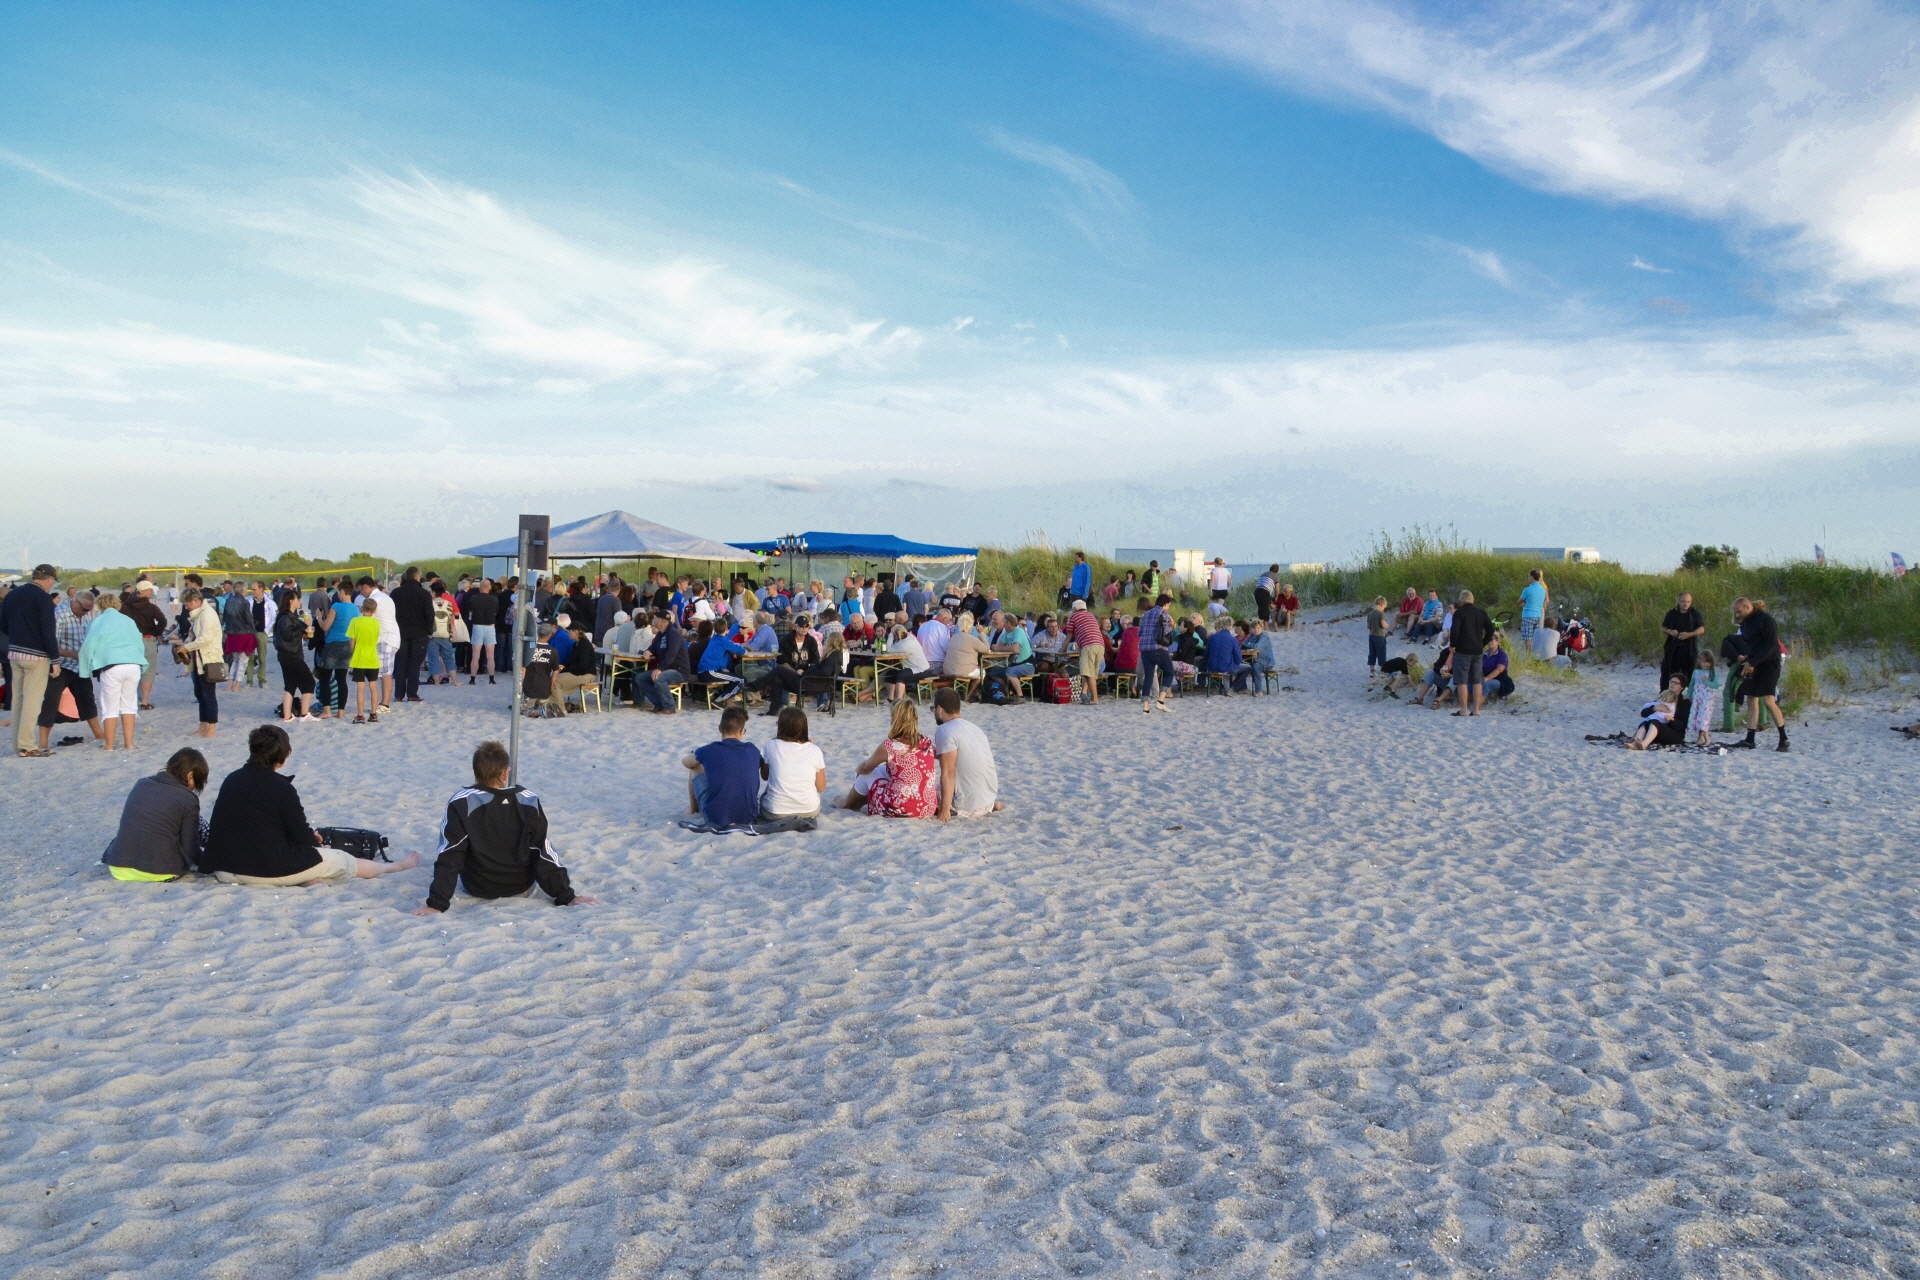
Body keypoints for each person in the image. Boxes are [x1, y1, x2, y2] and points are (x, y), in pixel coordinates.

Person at [198, 724, 420, 886]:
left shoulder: (232, 779)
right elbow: (300, 834)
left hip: (225, 867)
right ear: (282, 758)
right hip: (262, 868)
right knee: (340, 860)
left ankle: (308, 880)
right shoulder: (281, 788)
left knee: (306, 860)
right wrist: (314, 841)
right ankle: (393, 867)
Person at [414, 740, 593, 914]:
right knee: (540, 845)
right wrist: (566, 895)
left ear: (476, 772)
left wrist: (437, 903)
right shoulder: (529, 800)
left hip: (478, 887)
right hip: (521, 886)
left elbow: (451, 854)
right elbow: (542, 852)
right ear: (504, 774)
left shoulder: (461, 802)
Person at [101, 747, 209, 881]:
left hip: (118, 868)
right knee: (199, 825)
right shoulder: (187, 798)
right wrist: (207, 865)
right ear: (190, 776)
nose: (194, 788)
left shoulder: (141, 784)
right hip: (158, 872)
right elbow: (190, 847)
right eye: (197, 783)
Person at [843, 699, 938, 817]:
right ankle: (861, 799)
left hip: (899, 809)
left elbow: (866, 767)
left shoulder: (889, 746)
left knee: (866, 773)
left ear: (895, 720)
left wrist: (858, 771)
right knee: (885, 769)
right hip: (927, 807)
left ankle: (847, 804)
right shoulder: (926, 742)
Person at [78, 593, 147, 750]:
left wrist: (84, 671)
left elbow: (87, 647)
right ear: (117, 605)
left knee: (110, 707)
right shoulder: (128, 621)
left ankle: (109, 745)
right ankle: (129, 743)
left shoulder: (98, 622)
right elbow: (139, 643)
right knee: (129, 705)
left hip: (112, 666)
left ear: (100, 606)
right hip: (133, 664)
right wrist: (143, 665)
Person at [682, 705, 763, 828]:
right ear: (741, 731)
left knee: (695, 769)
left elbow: (686, 763)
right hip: (749, 817)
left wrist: (697, 755)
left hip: (716, 819)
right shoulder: (753, 750)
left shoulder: (709, 749)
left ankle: (693, 810)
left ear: (719, 729)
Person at [932, 687, 1002, 819]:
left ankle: (951, 809)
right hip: (987, 799)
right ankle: (992, 806)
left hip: (966, 805)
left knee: (923, 791)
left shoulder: (944, 730)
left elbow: (948, 772)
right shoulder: (974, 728)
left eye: (933, 709)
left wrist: (945, 810)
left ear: (940, 709)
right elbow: (963, 756)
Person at [1731, 597, 1787, 751]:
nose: (1737, 614)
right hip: (1754, 663)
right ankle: (1750, 739)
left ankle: (1783, 738)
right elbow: (1748, 645)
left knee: (1769, 701)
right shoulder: (1744, 623)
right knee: (1751, 699)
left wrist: (1753, 662)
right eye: (1735, 612)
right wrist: (1747, 661)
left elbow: (1770, 646)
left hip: (1770, 663)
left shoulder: (1766, 620)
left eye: (1739, 611)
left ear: (1747, 607)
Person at [760, 706, 827, 821]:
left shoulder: (771, 746)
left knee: (764, 797)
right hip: (809, 811)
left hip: (776, 812)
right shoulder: (814, 750)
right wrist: (811, 746)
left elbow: (764, 776)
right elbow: (821, 787)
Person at [175, 587, 224, 739]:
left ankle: (212, 728)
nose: (186, 606)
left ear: (196, 601)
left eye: (188, 603)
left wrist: (186, 646)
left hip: (208, 659)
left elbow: (206, 638)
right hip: (198, 658)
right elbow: (195, 635)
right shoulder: (199, 614)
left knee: (208, 694)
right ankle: (203, 726)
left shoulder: (207, 614)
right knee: (200, 693)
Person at [123, 580, 169, 711]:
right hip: (147, 639)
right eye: (150, 590)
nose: (152, 592)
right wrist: (155, 632)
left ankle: (130, 699)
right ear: (143, 591)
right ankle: (144, 701)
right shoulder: (151, 607)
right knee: (148, 672)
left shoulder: (125, 606)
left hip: (130, 641)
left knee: (131, 670)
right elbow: (162, 621)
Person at [271, 596, 318, 722]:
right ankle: (304, 714)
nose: (300, 602)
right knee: (309, 683)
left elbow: (291, 634)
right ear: (291, 601)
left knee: (290, 685)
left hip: (286, 654)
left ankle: (287, 715)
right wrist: (303, 626)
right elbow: (288, 635)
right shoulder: (286, 617)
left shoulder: (288, 616)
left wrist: (303, 631)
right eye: (298, 599)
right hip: (291, 655)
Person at [391, 567, 434, 703]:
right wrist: (429, 631)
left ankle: (399, 694)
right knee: (414, 664)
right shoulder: (423, 593)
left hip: (400, 632)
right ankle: (412, 693)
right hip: (419, 633)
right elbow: (429, 614)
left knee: (401, 663)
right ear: (417, 577)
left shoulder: (395, 593)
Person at [1447, 591, 1492, 715]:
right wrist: (1483, 643)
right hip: (1477, 651)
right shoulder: (1481, 612)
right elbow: (1491, 629)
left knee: (1462, 680)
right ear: (1472, 600)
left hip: (1462, 650)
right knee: (1477, 680)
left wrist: (1453, 645)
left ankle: (1464, 710)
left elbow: (1454, 630)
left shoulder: (1459, 613)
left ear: (1461, 601)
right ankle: (1476, 710)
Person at [315, 584, 354, 718]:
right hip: (348, 644)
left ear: (342, 592)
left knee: (325, 678)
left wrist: (319, 617)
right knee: (341, 679)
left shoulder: (336, 606)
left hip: (333, 644)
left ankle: (327, 711)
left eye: (338, 592)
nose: (337, 594)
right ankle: (341, 712)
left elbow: (326, 627)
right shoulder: (356, 609)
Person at [1137, 593, 1177, 712]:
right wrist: (1173, 625)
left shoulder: (1146, 614)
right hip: (1158, 647)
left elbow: (1139, 633)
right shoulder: (1163, 613)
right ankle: (1161, 701)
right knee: (1169, 672)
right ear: (1166, 604)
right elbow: (1166, 630)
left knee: (1148, 676)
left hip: (1144, 649)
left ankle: (1145, 707)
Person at [346, 597, 383, 724]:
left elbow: (352, 641)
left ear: (362, 608)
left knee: (360, 687)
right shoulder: (376, 623)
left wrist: (353, 653)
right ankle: (373, 714)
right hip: (372, 657)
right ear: (374, 610)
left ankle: (360, 715)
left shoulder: (355, 621)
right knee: (373, 686)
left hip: (359, 658)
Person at [1660, 591, 1707, 692]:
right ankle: (1665, 694)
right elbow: (1663, 627)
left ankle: (1692, 695)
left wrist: (1689, 634)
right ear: (1678, 601)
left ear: (1691, 602)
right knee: (1667, 672)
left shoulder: (1695, 614)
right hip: (1673, 648)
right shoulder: (1672, 613)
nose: (1685, 604)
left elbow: (1702, 629)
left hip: (1689, 648)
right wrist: (1670, 631)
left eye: (1688, 601)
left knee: (1691, 673)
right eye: (1683, 601)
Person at [1628, 677, 1687, 750]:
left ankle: (1644, 744)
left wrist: (1672, 720)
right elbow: (1643, 714)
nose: (1672, 684)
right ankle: (1635, 743)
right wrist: (1655, 708)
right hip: (1656, 732)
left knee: (1654, 722)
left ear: (1682, 687)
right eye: (1671, 681)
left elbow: (1682, 725)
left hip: (1674, 734)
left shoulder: (1684, 702)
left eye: (1676, 683)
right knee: (1645, 723)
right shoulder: (1664, 696)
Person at [878, 623, 931, 703]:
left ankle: (898, 700)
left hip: (922, 670)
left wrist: (890, 635)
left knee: (901, 675)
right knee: (890, 673)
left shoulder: (903, 644)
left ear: (895, 636)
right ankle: (890, 699)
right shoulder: (910, 638)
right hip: (913, 667)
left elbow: (887, 650)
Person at [1065, 600, 1106, 703]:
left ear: (1074, 609)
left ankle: (1094, 698)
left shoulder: (1074, 617)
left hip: (1088, 645)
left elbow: (1069, 635)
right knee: (1091, 672)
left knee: (1088, 673)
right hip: (1100, 645)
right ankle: (1084, 693)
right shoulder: (1091, 615)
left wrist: (1063, 649)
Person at [1204, 617, 1254, 692]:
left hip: (1212, 667)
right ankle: (1233, 688)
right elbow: (1238, 658)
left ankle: (1240, 688)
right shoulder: (1232, 639)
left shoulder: (1213, 637)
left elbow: (1206, 654)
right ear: (1231, 626)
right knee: (1248, 668)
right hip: (1226, 667)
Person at [465, 577, 499, 684]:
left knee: (476, 655)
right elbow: (496, 613)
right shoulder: (494, 599)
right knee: (490, 655)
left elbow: (470, 611)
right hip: (490, 627)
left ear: (480, 587)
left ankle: (472, 679)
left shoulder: (474, 598)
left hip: (477, 626)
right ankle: (491, 678)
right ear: (489, 588)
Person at [1686, 652, 1720, 746]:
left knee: (1703, 717)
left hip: (1706, 699)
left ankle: (1700, 739)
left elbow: (1716, 685)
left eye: (1708, 662)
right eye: (1704, 662)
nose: (1706, 664)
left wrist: (1707, 682)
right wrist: (1688, 695)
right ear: (1699, 661)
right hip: (1696, 698)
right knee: (1697, 717)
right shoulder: (1696, 672)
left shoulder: (1712, 673)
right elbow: (1692, 684)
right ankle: (1706, 739)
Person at [1408, 635, 1451, 707]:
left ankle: (1438, 701)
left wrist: (1450, 675)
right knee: (1431, 673)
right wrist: (1440, 670)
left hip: (1458, 684)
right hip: (1445, 680)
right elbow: (1436, 665)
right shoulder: (1445, 652)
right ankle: (1419, 698)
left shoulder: (1462, 655)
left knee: (1455, 678)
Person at [1518, 569, 1549, 651]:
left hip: (1528, 615)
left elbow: (1519, 601)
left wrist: (1524, 604)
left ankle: (1529, 657)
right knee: (1536, 638)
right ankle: (1536, 656)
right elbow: (1546, 600)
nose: (1528, 578)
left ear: (1532, 577)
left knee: (1528, 638)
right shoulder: (1543, 589)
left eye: (1529, 576)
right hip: (1538, 615)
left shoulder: (1527, 589)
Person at [1480, 632, 1514, 701]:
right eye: (1488, 640)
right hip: (1484, 677)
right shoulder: (1484, 655)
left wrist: (1487, 678)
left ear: (1497, 641)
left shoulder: (1501, 655)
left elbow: (1500, 669)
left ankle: (1477, 706)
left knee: (1486, 684)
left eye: (1491, 640)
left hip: (1499, 679)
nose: (1489, 642)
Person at [1365, 596, 1391, 674]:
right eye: (1384, 607)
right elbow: (1383, 625)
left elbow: (1368, 626)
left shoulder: (1370, 613)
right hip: (1380, 636)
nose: (1384, 609)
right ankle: (1383, 670)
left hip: (1371, 636)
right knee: (1381, 653)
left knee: (1372, 653)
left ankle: (1372, 670)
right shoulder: (1381, 614)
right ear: (1382, 605)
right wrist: (1387, 625)